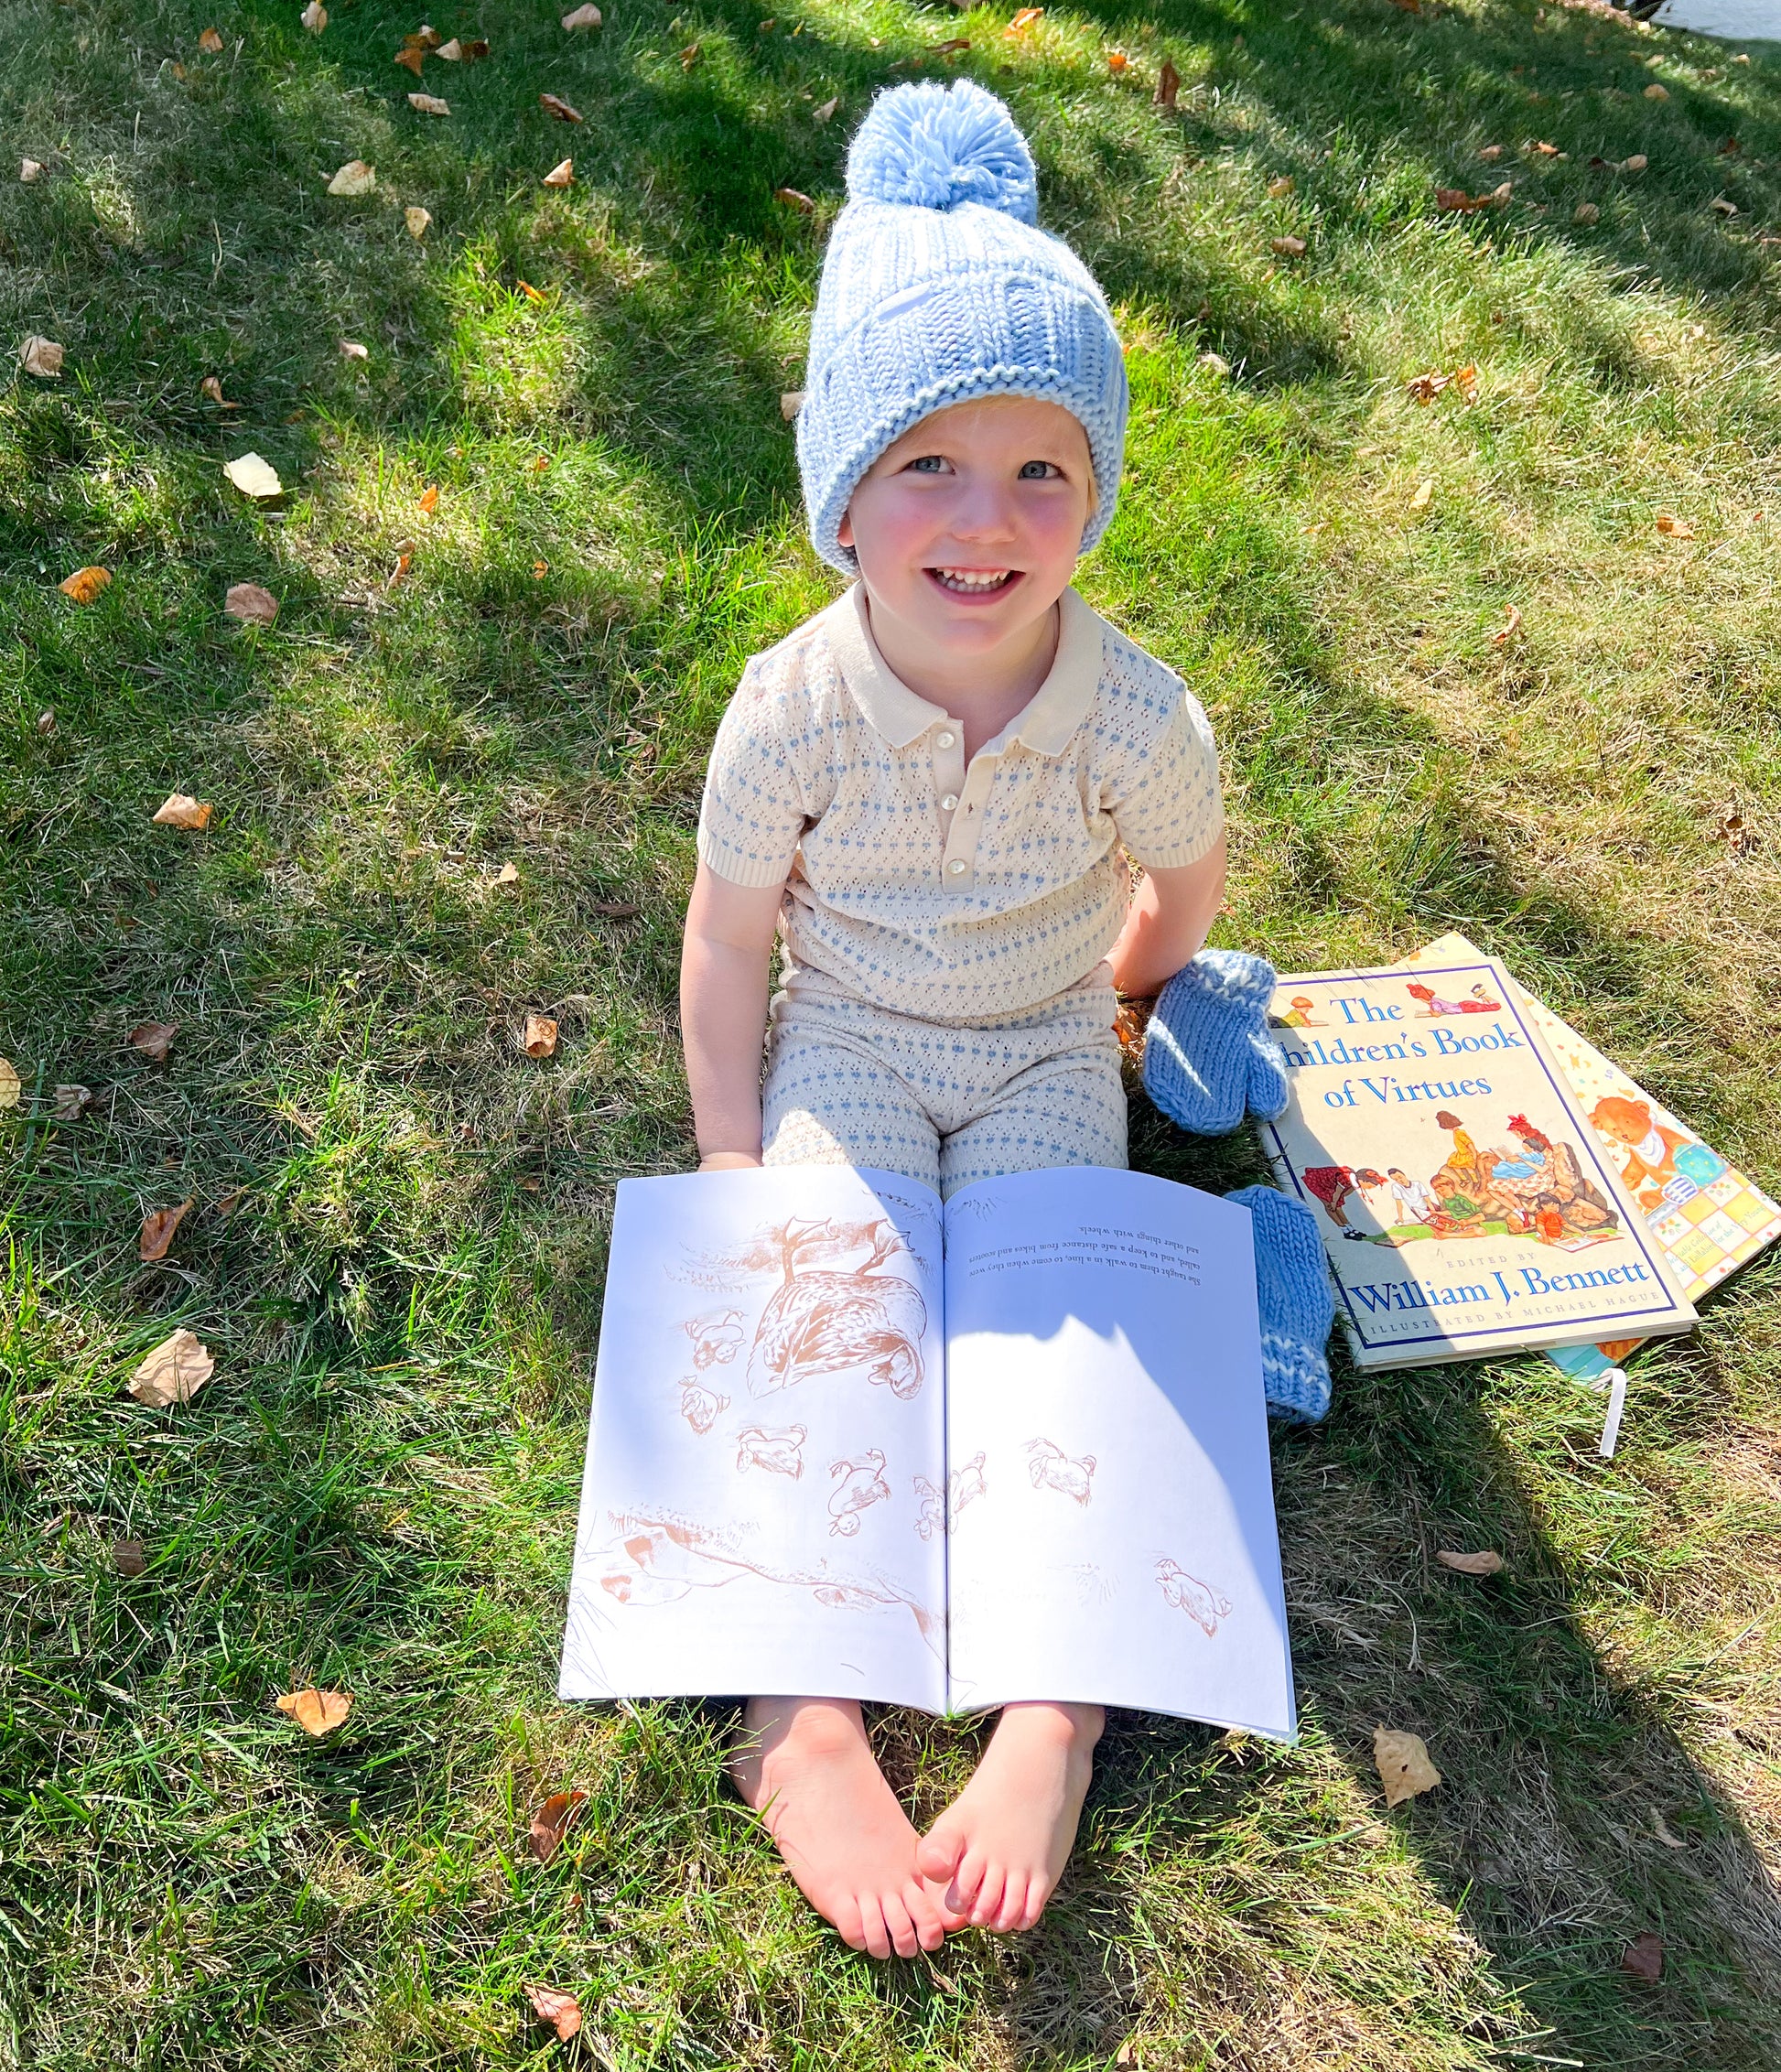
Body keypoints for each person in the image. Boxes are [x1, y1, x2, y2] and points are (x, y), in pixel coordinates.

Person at [678, 82, 1226, 1960]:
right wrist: (736, 1159)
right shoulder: (788, 706)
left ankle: (1050, 1716)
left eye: (1041, 471)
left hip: (1044, 1051)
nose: (985, 523)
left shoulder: (1139, 713)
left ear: (1096, 493)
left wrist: (1125, 986)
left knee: (1054, 1347)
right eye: (927, 463)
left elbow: (1190, 876)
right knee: (833, 1303)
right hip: (844, 1038)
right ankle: (797, 1709)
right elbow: (729, 939)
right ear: (838, 486)